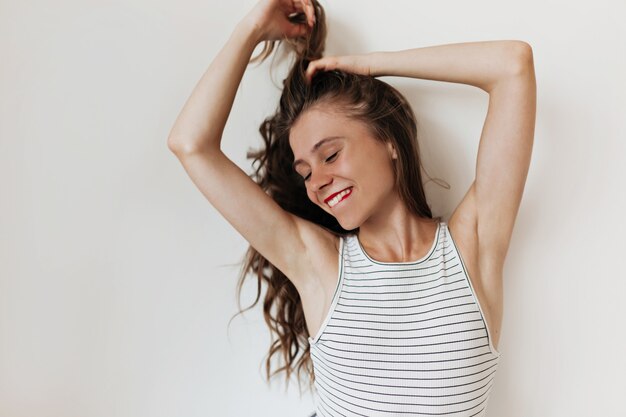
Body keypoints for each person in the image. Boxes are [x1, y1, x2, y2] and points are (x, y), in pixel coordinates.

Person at [167, 0, 536, 415]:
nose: (318, 182)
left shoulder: (473, 249)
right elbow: (190, 145)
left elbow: (512, 66)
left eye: (330, 156)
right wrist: (252, 28)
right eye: (305, 172)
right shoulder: (318, 265)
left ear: (388, 141)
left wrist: (370, 65)